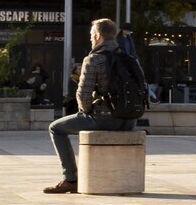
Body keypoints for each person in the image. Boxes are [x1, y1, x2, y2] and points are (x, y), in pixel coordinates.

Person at [43, 18, 142, 194]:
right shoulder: (129, 58)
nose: (90, 38)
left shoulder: (94, 59)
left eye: (91, 35)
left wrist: (86, 113)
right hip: (130, 120)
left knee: (55, 128)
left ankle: (70, 179)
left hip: (104, 118)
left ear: (97, 36)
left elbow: (83, 95)